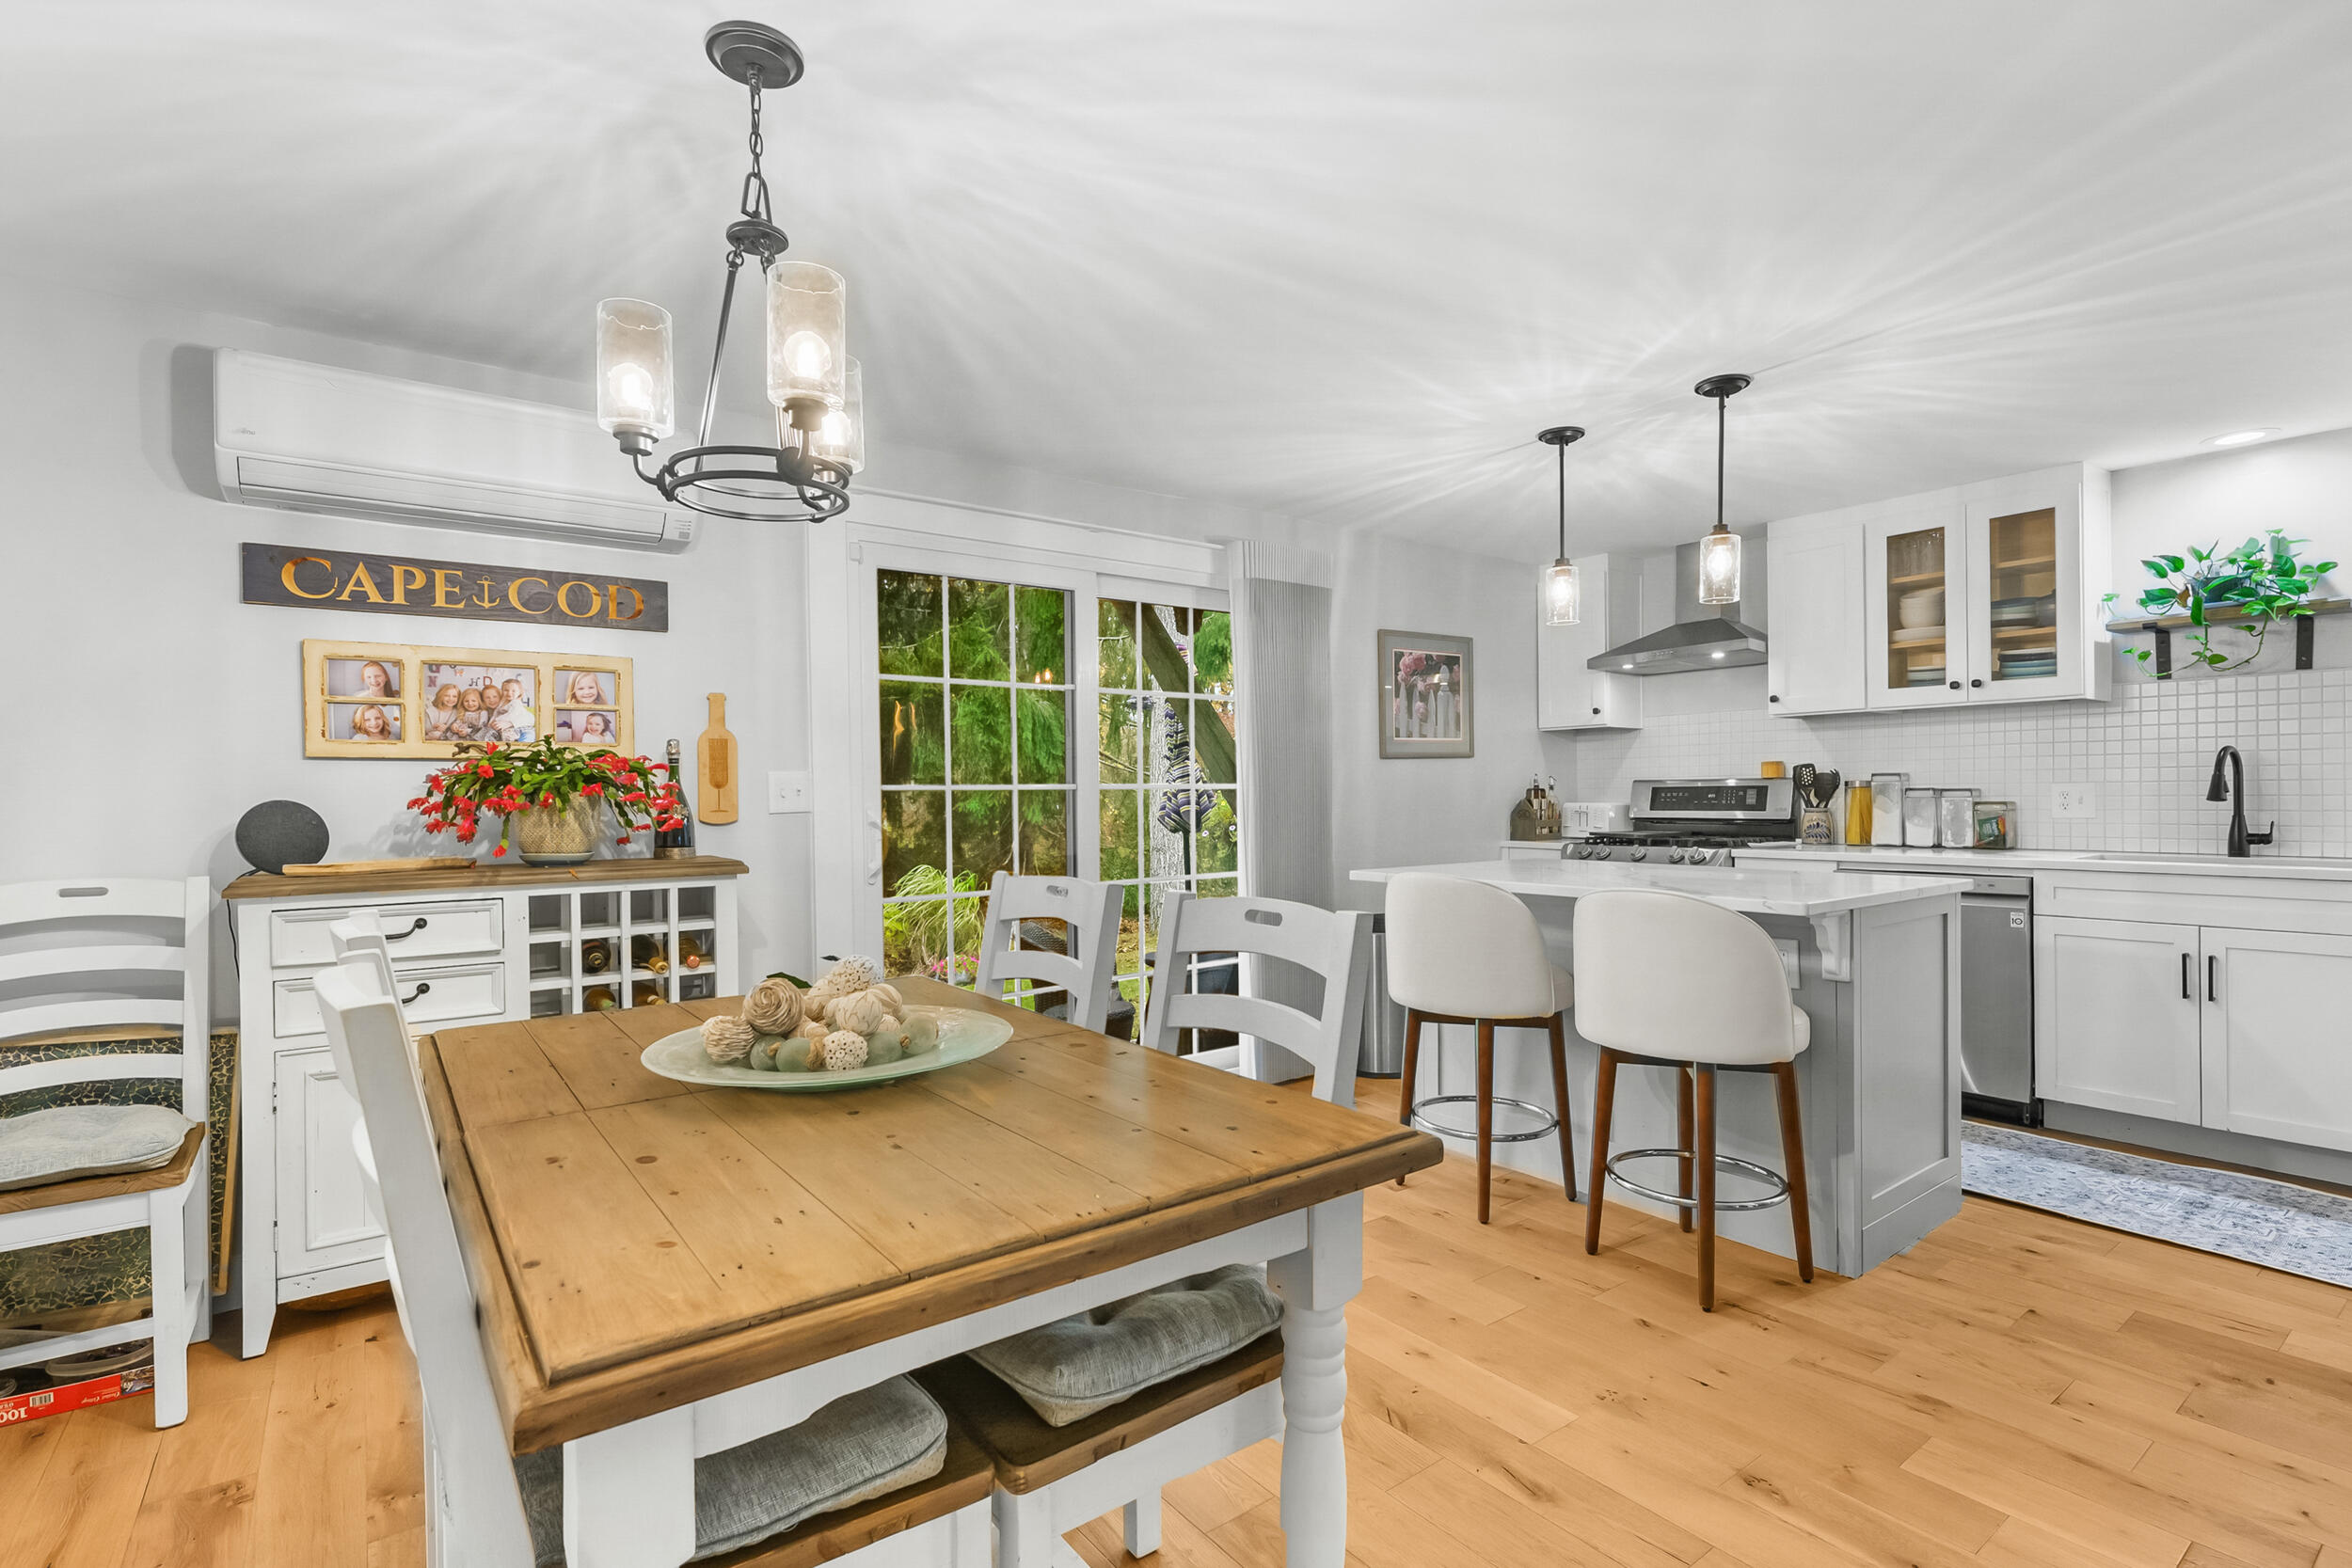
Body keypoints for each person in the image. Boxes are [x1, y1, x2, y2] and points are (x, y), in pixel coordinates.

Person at [493, 676, 535, 743]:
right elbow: (496, 712)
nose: (509, 693)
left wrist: (497, 720)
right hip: (513, 728)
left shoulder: (516, 702)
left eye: (513, 691)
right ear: (502, 690)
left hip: (523, 728)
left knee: (524, 742)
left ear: (519, 692)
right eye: (506, 690)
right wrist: (491, 721)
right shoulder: (502, 702)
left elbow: (511, 714)